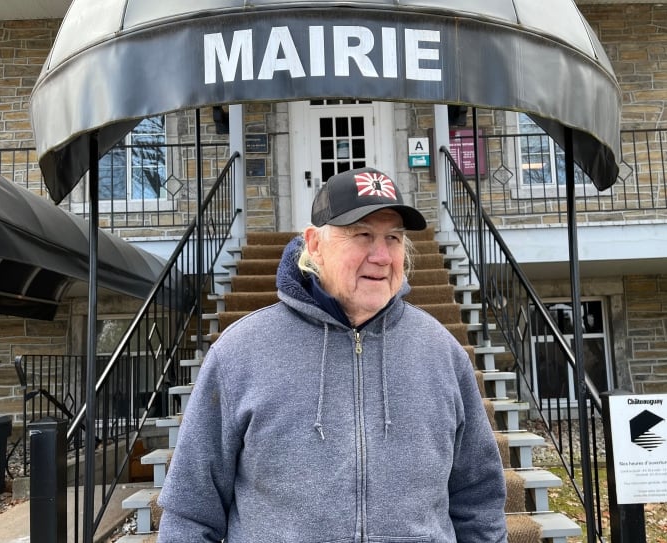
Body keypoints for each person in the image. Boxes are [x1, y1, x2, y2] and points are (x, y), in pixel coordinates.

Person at [158, 167, 508, 542]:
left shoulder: (442, 352)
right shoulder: (240, 354)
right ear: (314, 244)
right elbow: (191, 514)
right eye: (362, 235)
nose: (382, 256)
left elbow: (479, 502)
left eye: (393, 238)